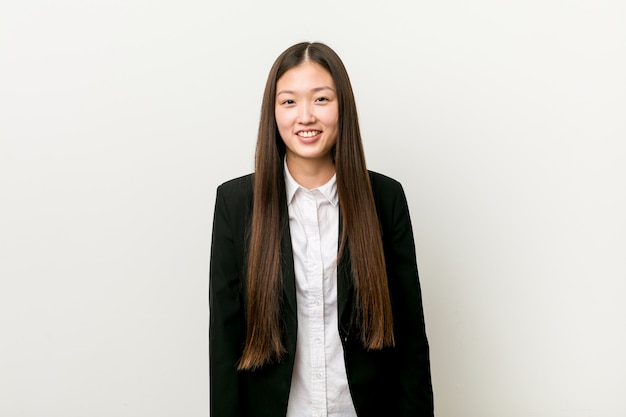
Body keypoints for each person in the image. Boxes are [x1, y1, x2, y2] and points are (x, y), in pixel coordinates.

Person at [209, 42, 433, 417]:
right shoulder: (236, 204)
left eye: (322, 99)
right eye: (289, 102)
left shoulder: (385, 198)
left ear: (342, 107)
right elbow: (225, 345)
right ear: (273, 112)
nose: (306, 116)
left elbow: (410, 342)